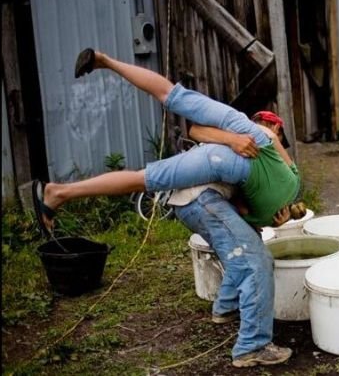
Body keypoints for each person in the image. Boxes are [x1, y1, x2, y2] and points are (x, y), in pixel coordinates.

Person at [32, 48, 300, 367]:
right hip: (224, 168)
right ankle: (251, 346)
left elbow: (242, 207)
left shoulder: (258, 149)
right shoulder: (269, 147)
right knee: (254, 258)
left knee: (146, 167)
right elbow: (233, 141)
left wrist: (275, 214)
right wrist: (238, 142)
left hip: (220, 170)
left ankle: (59, 193)